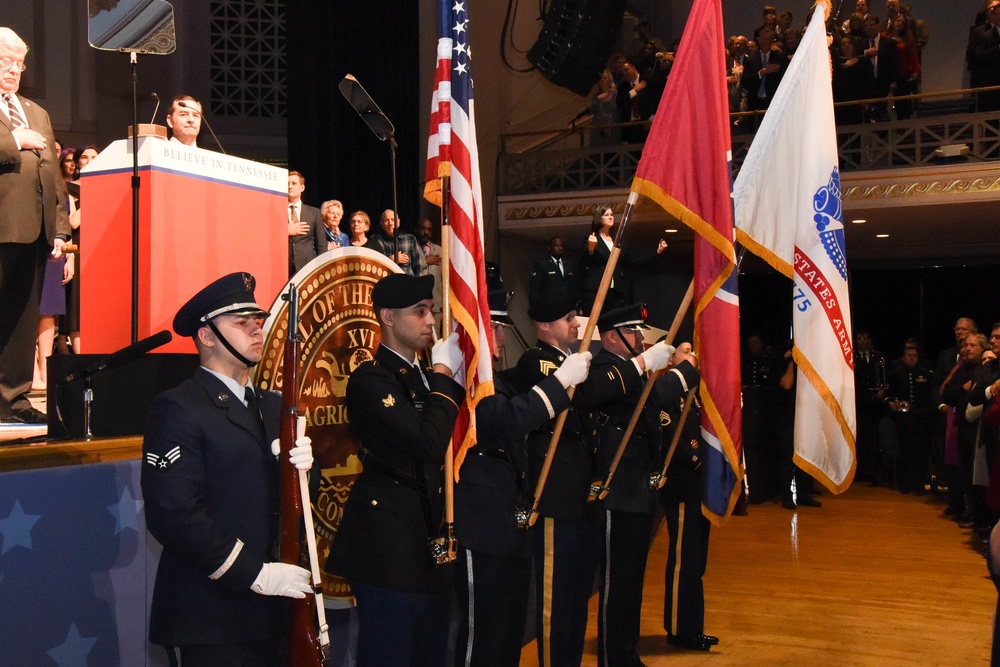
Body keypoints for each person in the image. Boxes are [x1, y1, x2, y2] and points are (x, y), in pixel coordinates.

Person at [141, 272, 315, 666]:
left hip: (276, 612)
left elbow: (292, 504)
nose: (257, 329)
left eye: (258, 320)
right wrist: (255, 573)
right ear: (206, 337)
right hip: (212, 616)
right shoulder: (180, 407)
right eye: (241, 323)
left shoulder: (275, 407)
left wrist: (309, 471)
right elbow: (175, 515)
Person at [326, 273, 464, 666]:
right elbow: (427, 442)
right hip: (389, 548)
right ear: (387, 316)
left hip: (430, 545)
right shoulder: (371, 379)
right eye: (419, 312)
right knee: (391, 655)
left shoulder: (423, 380)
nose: (431, 321)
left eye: (431, 311)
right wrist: (443, 377)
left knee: (432, 655)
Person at [454, 286, 592, 666]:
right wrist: (561, 381)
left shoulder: (495, 378)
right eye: (494, 327)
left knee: (507, 630)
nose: (501, 336)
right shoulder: (467, 380)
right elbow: (507, 421)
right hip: (479, 521)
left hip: (504, 520)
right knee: (481, 635)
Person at [573, 304, 684, 667]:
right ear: (610, 337)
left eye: (639, 332)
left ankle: (625, 652)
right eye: (633, 332)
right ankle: (612, 657)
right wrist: (654, 367)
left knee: (632, 579)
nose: (640, 338)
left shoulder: (634, 369)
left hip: (637, 486)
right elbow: (599, 394)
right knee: (616, 582)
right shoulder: (603, 366)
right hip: (615, 488)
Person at [516, 289, 599, 667]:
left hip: (577, 493)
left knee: (576, 595)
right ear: (545, 325)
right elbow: (571, 400)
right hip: (553, 493)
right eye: (568, 318)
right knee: (553, 596)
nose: (576, 324)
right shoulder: (538, 362)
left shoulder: (570, 361)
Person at [0, 27, 70, 424]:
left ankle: (12, 399)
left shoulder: (37, 111)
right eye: (3, 61)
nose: (13, 70)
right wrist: (14, 142)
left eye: (19, 64)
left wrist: (60, 228)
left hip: (35, 232)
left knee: (21, 321)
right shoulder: (21, 124)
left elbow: (54, 175)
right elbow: (22, 149)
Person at [658, 343, 718, 652]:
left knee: (695, 561)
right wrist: (699, 463)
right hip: (682, 486)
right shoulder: (666, 391)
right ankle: (680, 629)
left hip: (698, 487)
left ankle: (692, 625)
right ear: (671, 360)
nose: (693, 352)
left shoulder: (694, 395)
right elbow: (675, 440)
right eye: (685, 349)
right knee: (683, 561)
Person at [578, 205, 667, 316]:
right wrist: (591, 248)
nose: (610, 217)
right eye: (606, 215)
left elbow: (635, 261)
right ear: (598, 218)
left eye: (611, 215)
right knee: (594, 325)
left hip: (615, 292)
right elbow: (583, 263)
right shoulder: (591, 239)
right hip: (595, 290)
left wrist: (657, 252)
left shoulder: (619, 242)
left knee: (613, 325)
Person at [365, 209, 427, 276]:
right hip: (386, 283)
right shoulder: (376, 240)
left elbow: (418, 266)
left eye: (393, 220)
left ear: (398, 222)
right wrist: (391, 259)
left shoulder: (410, 239)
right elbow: (372, 264)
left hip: (407, 283)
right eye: (386, 220)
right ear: (381, 224)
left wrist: (417, 284)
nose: (390, 223)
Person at [286, 171, 324, 277]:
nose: (290, 187)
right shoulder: (276, 211)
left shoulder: (314, 212)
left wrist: (322, 268)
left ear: (302, 188)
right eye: (287, 183)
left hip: (306, 266)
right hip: (282, 264)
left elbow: (321, 244)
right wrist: (286, 231)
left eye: (294, 183)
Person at [529, 236, 576, 306]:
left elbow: (573, 286)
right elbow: (535, 288)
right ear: (549, 247)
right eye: (556, 245)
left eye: (561, 246)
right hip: (549, 306)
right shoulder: (542, 264)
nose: (559, 248)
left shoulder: (569, 265)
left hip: (566, 306)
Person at [415, 217, 443, 329]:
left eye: (429, 230)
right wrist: (425, 261)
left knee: (436, 343)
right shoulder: (411, 248)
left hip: (436, 306)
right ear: (416, 229)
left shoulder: (440, 250)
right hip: (416, 305)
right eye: (423, 229)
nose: (426, 232)